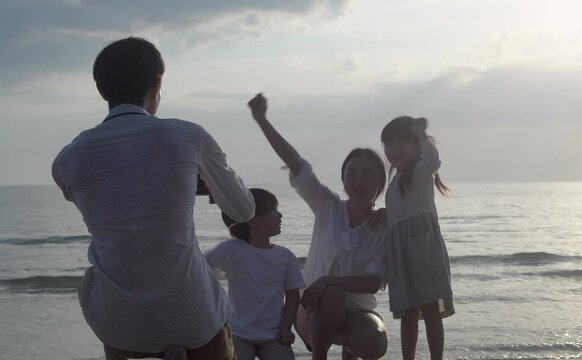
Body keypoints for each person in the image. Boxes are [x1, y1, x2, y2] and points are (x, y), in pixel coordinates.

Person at [51, 37, 255, 360]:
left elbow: (115, 207)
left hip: (121, 328)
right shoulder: (189, 137)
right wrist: (208, 185)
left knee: (106, 284)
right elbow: (244, 210)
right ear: (157, 84)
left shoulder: (68, 160)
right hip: (194, 320)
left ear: (102, 91)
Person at [247, 94, 388, 360]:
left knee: (374, 340)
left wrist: (327, 280)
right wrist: (263, 121)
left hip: (358, 314)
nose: (359, 180)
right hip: (312, 311)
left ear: (380, 181)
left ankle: (350, 350)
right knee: (332, 294)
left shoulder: (383, 227)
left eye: (368, 173)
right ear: (343, 179)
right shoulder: (328, 207)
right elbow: (296, 164)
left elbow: (373, 281)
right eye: (352, 172)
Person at [380, 116, 454, 360]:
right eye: (389, 144)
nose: (394, 149)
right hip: (401, 254)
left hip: (423, 249)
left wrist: (421, 133)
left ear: (416, 146)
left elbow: (434, 160)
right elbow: (397, 217)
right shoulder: (393, 184)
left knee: (431, 308)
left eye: (402, 143)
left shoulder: (422, 171)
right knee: (408, 312)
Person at [204, 188, 305, 360]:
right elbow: (199, 267)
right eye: (274, 210)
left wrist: (286, 328)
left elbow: (293, 296)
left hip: (274, 335)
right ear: (252, 221)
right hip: (238, 333)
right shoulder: (231, 250)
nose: (280, 215)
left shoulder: (285, 256)